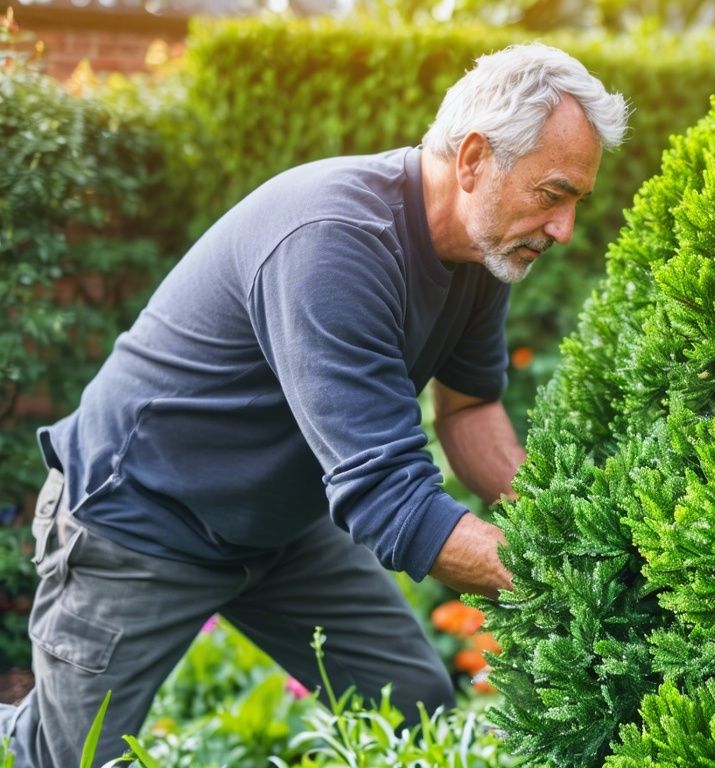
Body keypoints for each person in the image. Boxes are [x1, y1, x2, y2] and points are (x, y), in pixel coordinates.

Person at [0, 43, 628, 767]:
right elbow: (389, 501)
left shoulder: (483, 255)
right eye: (551, 195)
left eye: (576, 202)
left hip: (277, 527)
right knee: (64, 757)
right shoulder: (333, 243)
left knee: (409, 709)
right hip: (139, 518)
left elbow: (468, 412)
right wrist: (572, 581)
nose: (563, 229)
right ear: (474, 159)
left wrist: (571, 532)